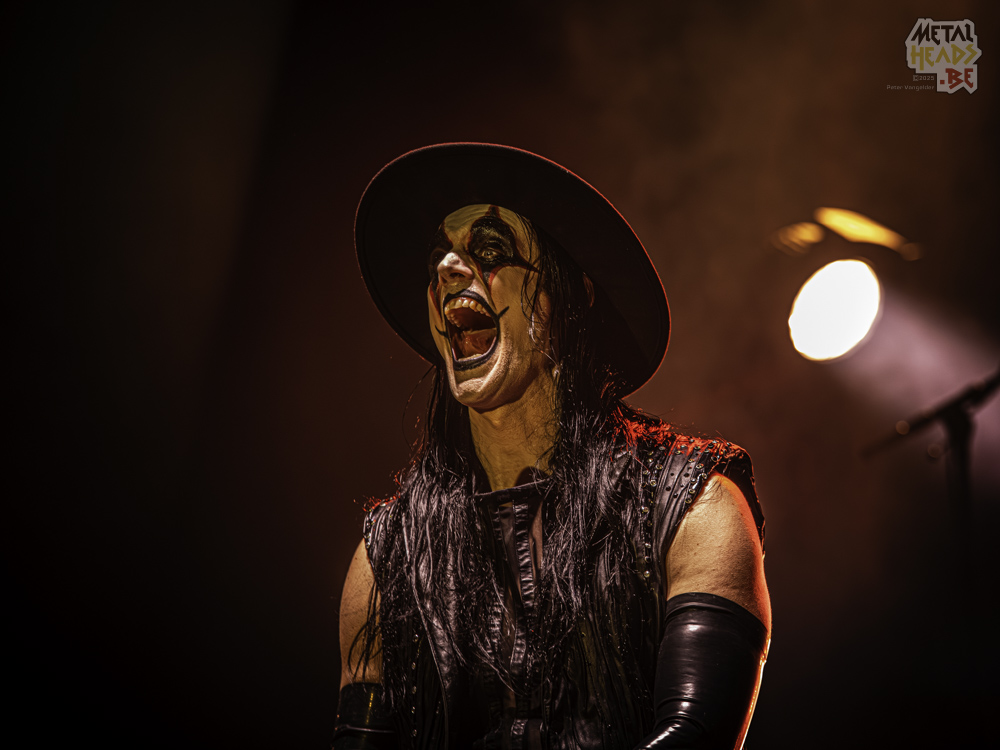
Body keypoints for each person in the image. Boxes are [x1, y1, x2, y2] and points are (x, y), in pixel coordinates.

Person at [336, 143, 771, 749]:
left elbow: (694, 737)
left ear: (571, 296)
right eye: (439, 257)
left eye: (490, 250)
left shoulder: (694, 507)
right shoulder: (388, 558)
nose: (447, 270)